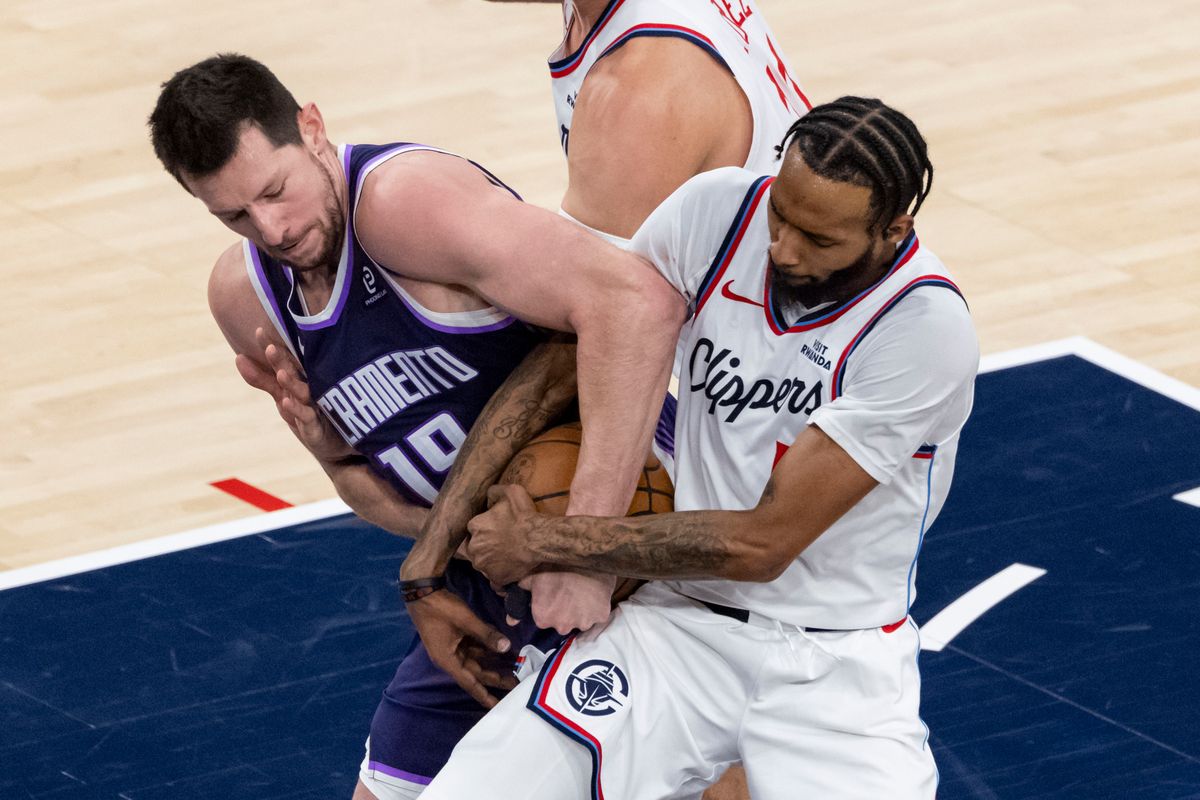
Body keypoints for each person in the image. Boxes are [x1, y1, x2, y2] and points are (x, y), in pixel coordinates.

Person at [147, 53, 684, 800]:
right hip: (486, 571)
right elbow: (368, 491)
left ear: (312, 129)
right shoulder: (246, 298)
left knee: (703, 765)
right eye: (234, 215)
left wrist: (584, 548)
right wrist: (339, 457)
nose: (270, 228)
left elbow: (639, 305)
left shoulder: (405, 204)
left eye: (275, 191)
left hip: (622, 520)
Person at [419, 96, 979, 800]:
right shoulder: (716, 213)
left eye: (819, 239)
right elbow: (588, 344)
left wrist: (550, 540)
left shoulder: (924, 329)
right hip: (676, 626)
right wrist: (431, 552)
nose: (783, 248)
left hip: (832, 660)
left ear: (893, 231)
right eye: (781, 214)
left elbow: (764, 545)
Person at [405, 6, 809, 794]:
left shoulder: (638, 87)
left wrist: (575, 551)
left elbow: (616, 319)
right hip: (751, 395)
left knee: (701, 726)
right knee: (725, 738)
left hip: (765, 442)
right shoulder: (616, 29)